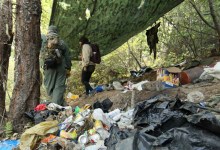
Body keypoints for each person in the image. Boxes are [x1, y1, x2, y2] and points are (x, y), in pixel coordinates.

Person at [40, 25, 72, 106]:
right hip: (61, 66)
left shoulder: (43, 39)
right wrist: (68, 68)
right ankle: (59, 104)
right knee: (59, 87)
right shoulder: (62, 43)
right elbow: (67, 57)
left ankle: (55, 106)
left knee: (49, 87)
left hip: (48, 67)